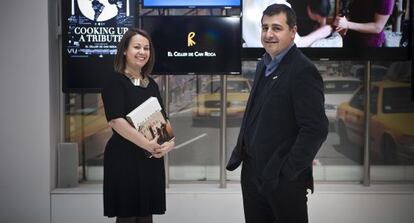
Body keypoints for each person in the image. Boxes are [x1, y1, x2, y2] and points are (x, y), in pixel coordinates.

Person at [226, 3, 328, 223]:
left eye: (276, 28)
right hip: (253, 176)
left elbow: (315, 129)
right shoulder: (264, 65)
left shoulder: (303, 70)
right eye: (264, 28)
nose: (268, 34)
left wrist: (287, 171)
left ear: (293, 32)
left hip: (282, 180)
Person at [101, 28, 175, 223]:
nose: (142, 52)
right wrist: (147, 144)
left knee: (146, 215)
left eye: (146, 48)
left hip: (149, 160)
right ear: (125, 50)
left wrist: (170, 142)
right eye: (137, 47)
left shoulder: (151, 84)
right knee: (127, 216)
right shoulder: (114, 81)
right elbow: (116, 121)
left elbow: (163, 119)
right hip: (124, 159)